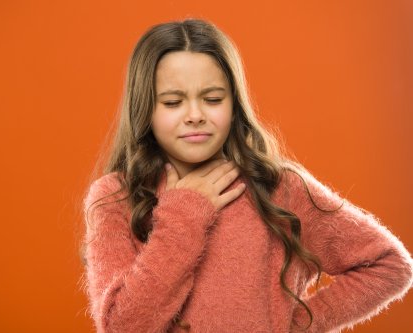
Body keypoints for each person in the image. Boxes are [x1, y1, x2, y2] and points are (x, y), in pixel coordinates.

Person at [79, 18, 413, 332]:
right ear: (145, 108)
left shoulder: (278, 187)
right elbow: (123, 325)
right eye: (172, 102)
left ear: (234, 104)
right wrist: (185, 212)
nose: (195, 115)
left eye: (212, 99)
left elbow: (389, 265)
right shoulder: (115, 197)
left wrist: (295, 325)